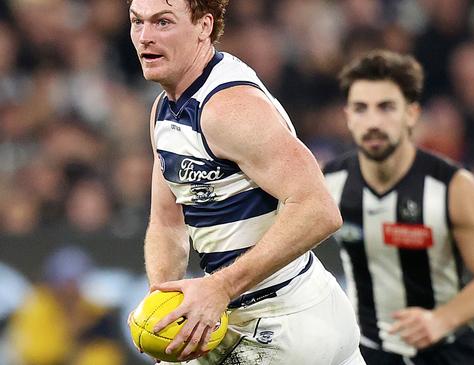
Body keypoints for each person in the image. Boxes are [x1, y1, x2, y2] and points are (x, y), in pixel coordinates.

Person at [126, 1, 365, 364]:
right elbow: (166, 221)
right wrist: (166, 309)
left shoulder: (228, 107)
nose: (145, 37)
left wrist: (219, 287)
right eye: (137, 22)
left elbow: (320, 210)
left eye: (163, 23)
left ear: (204, 26)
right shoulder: (165, 109)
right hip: (291, 315)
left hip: (281, 322)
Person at [323, 50, 474, 364]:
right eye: (361, 109)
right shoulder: (327, 183)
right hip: (367, 353)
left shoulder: (453, 187)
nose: (373, 121)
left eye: (386, 107)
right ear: (348, 116)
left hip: (446, 352)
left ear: (412, 114)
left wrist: (441, 319)